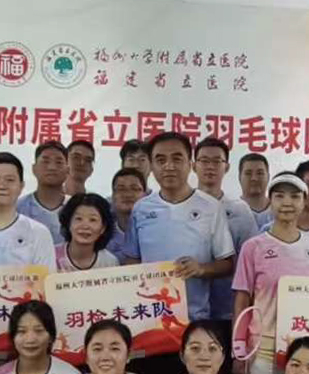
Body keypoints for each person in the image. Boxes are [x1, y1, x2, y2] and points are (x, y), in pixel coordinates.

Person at [232, 174, 309, 374]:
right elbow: (242, 300)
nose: (287, 203)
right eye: (279, 196)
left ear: (304, 201)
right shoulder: (253, 247)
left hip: (305, 350)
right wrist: (239, 351)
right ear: (270, 201)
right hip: (263, 351)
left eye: (294, 196)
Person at [120, 132, 235, 331]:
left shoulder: (211, 207)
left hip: (195, 320)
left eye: (177, 158)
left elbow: (227, 264)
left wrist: (201, 269)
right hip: (149, 320)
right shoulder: (141, 208)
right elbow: (131, 260)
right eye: (160, 160)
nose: (169, 166)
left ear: (190, 164)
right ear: (151, 166)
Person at [193, 138, 262, 326]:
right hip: (190, 308)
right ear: (193, 166)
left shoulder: (240, 209)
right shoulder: (182, 207)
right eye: (204, 161)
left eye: (217, 161)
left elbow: (252, 260)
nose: (210, 167)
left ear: (227, 167)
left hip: (228, 309)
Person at [19, 142, 71, 244]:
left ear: (68, 170)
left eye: (59, 162)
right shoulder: (18, 207)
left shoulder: (76, 207)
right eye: (45, 161)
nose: (52, 167)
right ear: (34, 169)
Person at [56, 193, 120, 271]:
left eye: (93, 220)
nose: (85, 226)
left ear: (103, 228)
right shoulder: (52, 256)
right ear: (68, 223)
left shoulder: (110, 263)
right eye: (79, 219)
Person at [107, 167, 148, 258]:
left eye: (135, 189)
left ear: (145, 196)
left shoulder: (156, 230)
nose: (128, 194)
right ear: (113, 196)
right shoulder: (102, 235)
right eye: (121, 189)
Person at [237, 153, 271, 227]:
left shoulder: (279, 210)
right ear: (239, 177)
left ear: (268, 176)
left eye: (260, 173)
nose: (254, 178)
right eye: (248, 173)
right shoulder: (229, 211)